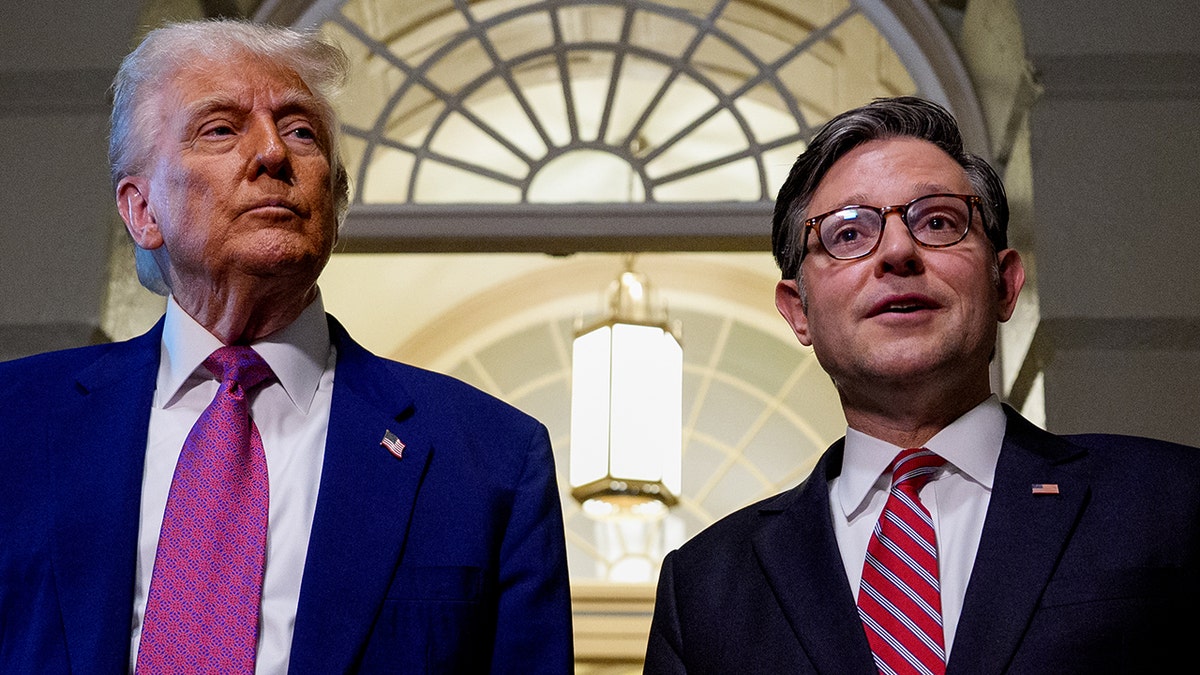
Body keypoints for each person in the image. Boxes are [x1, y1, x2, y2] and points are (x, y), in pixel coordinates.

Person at [0, 19, 572, 673]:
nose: (273, 152)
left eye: (301, 130)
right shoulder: (14, 424)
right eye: (221, 128)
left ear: (334, 198)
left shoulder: (490, 459)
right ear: (142, 211)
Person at [644, 96, 1200, 674]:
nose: (898, 252)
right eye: (849, 233)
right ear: (798, 311)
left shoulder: (1172, 502)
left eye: (938, 221)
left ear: (1006, 285)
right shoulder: (706, 587)